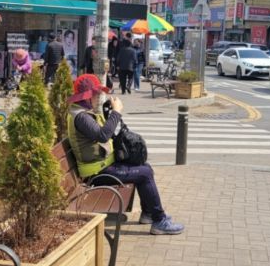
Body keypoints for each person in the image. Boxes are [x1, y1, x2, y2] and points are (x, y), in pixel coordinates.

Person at [67, 74, 184, 235]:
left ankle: (149, 213)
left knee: (144, 167)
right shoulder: (81, 116)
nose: (98, 97)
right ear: (87, 96)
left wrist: (108, 111)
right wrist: (116, 112)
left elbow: (103, 132)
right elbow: (103, 135)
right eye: (96, 94)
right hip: (97, 173)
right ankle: (159, 220)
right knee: (144, 173)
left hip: (103, 166)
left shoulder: (83, 111)